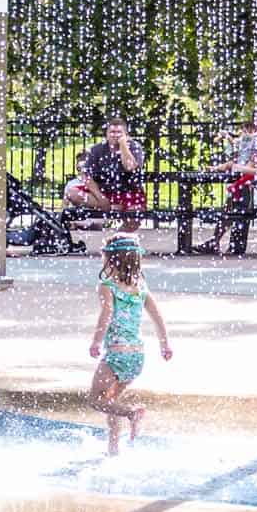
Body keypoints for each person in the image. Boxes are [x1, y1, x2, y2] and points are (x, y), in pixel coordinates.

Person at [88, 233, 172, 454]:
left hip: (117, 354)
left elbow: (106, 313)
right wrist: (165, 344)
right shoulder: (141, 286)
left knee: (96, 400)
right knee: (111, 401)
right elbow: (157, 315)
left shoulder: (107, 285)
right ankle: (113, 450)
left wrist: (96, 341)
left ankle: (132, 413)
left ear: (110, 258)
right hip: (136, 357)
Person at [196, 107, 257, 256]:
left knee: (240, 198)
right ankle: (220, 242)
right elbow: (239, 162)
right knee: (236, 198)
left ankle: (229, 243)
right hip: (246, 183)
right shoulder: (249, 140)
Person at [82, 117, 147, 222]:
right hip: (104, 193)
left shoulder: (134, 147)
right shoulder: (97, 149)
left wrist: (123, 146)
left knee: (134, 217)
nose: (115, 135)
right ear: (106, 134)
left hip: (129, 193)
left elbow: (130, 167)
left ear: (126, 135)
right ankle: (110, 206)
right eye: (112, 132)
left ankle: (117, 236)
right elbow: (86, 175)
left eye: (119, 132)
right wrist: (101, 198)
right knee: (73, 193)